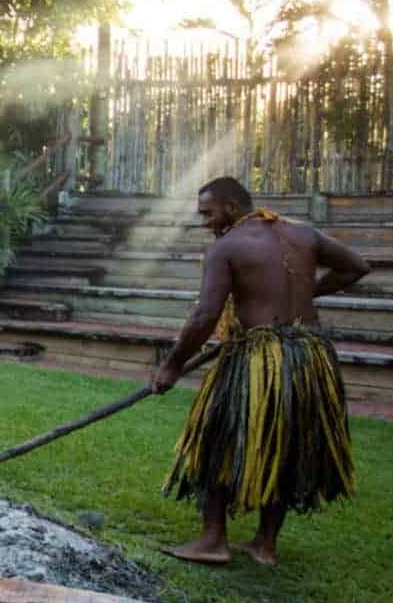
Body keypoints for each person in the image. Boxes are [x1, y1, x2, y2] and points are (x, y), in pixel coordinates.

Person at [152, 176, 369, 566]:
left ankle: (212, 540)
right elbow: (357, 267)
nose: (204, 222)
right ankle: (265, 545)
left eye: (208, 213)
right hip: (309, 358)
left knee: (216, 439)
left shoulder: (227, 246)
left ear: (232, 207)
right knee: (287, 447)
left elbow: (205, 316)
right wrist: (306, 292)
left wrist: (171, 365)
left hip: (258, 357)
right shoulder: (304, 234)